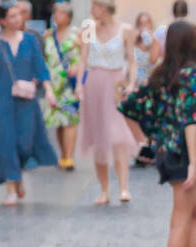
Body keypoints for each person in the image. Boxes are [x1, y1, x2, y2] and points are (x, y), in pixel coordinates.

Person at [120, 21, 196, 247]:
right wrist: (194, 163)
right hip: (182, 154)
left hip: (167, 152)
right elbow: (191, 120)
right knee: (181, 220)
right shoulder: (194, 74)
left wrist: (148, 141)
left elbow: (128, 106)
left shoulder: (164, 75)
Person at [0, 2, 59, 205]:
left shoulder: (30, 41)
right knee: (5, 142)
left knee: (25, 144)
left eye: (19, 15)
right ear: (2, 21)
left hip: (26, 102)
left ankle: (17, 177)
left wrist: (50, 92)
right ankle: (12, 187)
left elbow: (41, 68)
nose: (18, 19)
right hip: (1, 101)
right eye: (13, 16)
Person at [77, 0, 140, 205]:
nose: (91, 10)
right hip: (94, 82)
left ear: (104, 8)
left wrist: (131, 83)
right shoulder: (88, 28)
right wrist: (79, 84)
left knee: (119, 136)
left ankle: (123, 187)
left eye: (94, 6)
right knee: (99, 137)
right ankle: (104, 190)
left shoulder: (126, 30)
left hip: (115, 83)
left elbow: (132, 59)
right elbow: (83, 59)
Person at [43, 2, 80, 170]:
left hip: (70, 85)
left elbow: (86, 57)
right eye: (55, 13)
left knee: (70, 120)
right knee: (58, 120)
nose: (56, 16)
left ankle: (70, 158)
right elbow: (44, 58)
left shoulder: (76, 35)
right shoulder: (48, 36)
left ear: (68, 16)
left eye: (60, 13)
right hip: (54, 84)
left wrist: (78, 67)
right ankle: (63, 155)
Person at [152, 0, 196, 65]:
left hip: (170, 71)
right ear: (187, 12)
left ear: (173, 12)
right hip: (190, 72)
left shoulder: (162, 31)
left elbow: (153, 58)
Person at [134, 11, 156, 84]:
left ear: (150, 25)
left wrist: (151, 43)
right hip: (135, 80)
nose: (144, 26)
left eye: (146, 23)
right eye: (141, 23)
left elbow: (153, 60)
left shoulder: (155, 41)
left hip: (149, 80)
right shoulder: (134, 41)